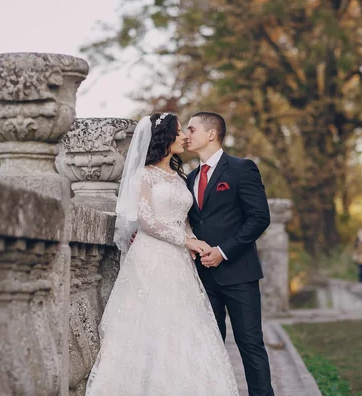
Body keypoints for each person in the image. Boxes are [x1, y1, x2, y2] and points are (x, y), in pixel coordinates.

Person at [85, 113, 239, 396]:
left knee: (182, 326)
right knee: (151, 324)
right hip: (151, 257)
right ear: (165, 138)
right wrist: (187, 241)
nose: (184, 137)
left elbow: (182, 218)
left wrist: (192, 239)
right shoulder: (143, 175)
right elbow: (147, 222)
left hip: (179, 261)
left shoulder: (180, 176)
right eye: (179, 132)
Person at [185, 112, 274, 396]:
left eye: (191, 129)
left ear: (211, 134)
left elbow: (259, 218)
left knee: (250, 344)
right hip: (202, 277)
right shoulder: (189, 178)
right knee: (210, 346)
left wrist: (223, 252)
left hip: (239, 273)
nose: (187, 135)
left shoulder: (241, 168)